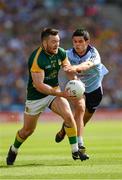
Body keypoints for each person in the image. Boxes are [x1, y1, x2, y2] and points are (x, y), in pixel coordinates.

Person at [6, 28, 89, 165]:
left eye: (58, 41)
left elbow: (68, 70)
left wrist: (75, 80)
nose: (57, 44)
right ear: (44, 43)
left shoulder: (61, 53)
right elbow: (39, 85)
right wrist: (61, 93)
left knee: (68, 116)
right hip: (36, 97)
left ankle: (75, 150)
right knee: (27, 131)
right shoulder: (37, 58)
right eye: (53, 42)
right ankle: (14, 149)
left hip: (54, 92)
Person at [55, 28, 109, 151]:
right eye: (75, 41)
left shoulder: (94, 53)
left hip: (94, 89)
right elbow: (67, 70)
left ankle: (65, 128)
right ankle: (79, 144)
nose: (77, 44)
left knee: (83, 120)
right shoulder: (68, 54)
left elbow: (87, 65)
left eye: (80, 41)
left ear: (87, 42)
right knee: (80, 110)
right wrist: (74, 78)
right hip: (78, 88)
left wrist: (74, 68)